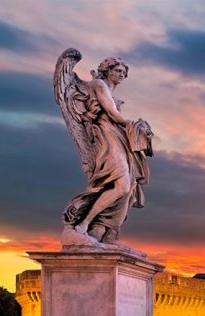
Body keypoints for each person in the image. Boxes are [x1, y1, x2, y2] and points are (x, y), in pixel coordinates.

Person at [56, 51, 153, 246]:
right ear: (106, 70)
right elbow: (111, 113)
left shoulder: (110, 91)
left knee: (129, 186)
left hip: (118, 136)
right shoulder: (98, 85)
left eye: (124, 73)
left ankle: (107, 232)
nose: (121, 75)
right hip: (105, 136)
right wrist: (135, 124)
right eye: (118, 70)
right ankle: (82, 226)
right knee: (121, 184)